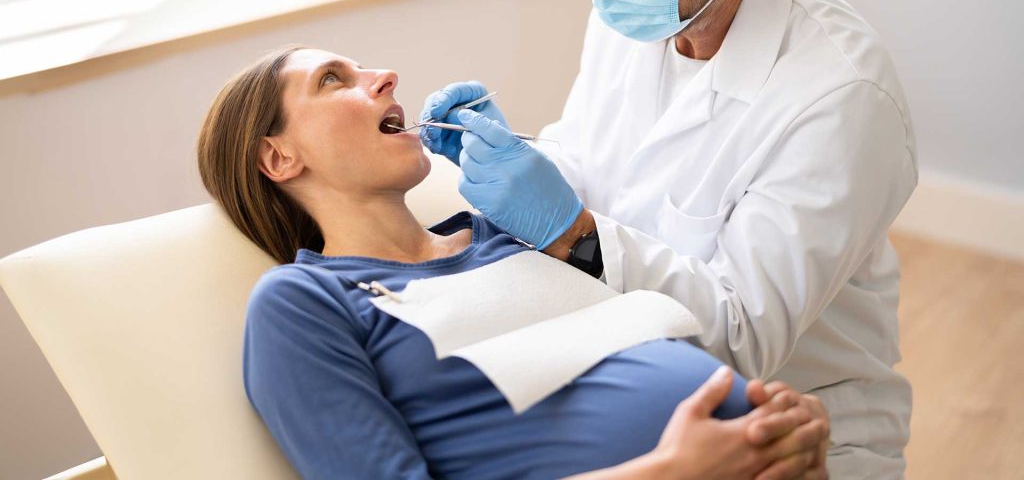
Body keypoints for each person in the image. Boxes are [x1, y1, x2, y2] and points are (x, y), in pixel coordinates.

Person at [420, 0, 915, 477]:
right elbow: (598, 161)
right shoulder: (642, 1)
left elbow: (743, 338)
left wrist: (573, 230)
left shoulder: (840, 98)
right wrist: (524, 158)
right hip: (630, 376)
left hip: (788, 427)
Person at [196, 45, 829, 480]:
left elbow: (672, 335)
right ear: (278, 158)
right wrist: (669, 470)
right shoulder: (304, 301)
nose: (385, 75)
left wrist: (777, 427)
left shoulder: (504, 232)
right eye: (333, 79)